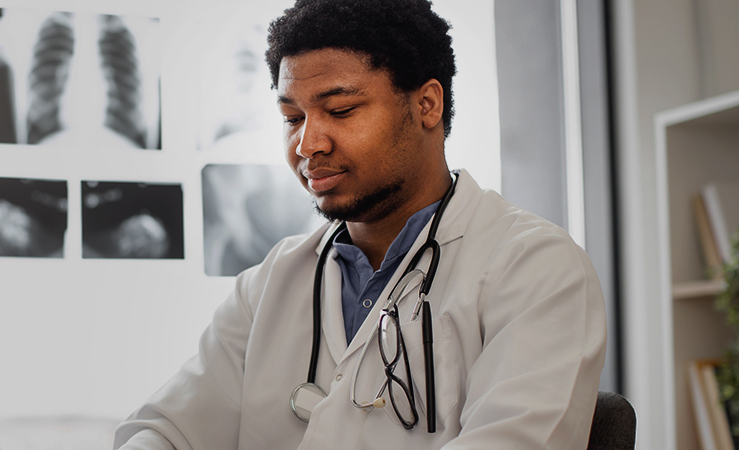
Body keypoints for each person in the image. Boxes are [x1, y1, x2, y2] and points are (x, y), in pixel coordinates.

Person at [113, 0, 607, 448]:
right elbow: (167, 429)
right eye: (292, 117)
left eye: (341, 110)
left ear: (426, 105)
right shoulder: (272, 281)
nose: (308, 145)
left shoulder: (536, 269)